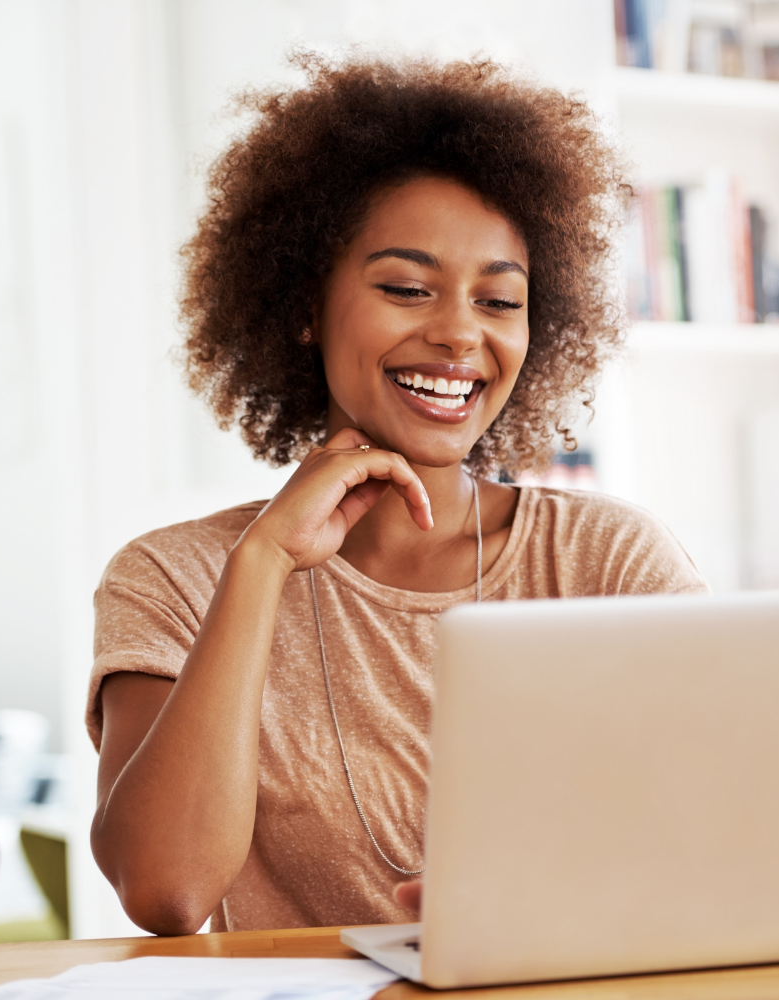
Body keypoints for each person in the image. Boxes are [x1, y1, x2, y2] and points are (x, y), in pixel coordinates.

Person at [86, 54, 707, 937]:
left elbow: (721, 837)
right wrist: (261, 564)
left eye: (498, 301)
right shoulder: (172, 577)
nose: (458, 334)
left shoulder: (607, 562)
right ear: (307, 304)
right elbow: (168, 891)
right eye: (407, 289)